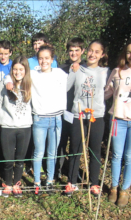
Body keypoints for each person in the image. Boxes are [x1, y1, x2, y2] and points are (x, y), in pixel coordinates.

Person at [65, 40, 110, 197]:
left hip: (96, 116)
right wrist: (73, 70)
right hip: (78, 114)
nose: (92, 54)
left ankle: (94, 183)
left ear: (102, 55)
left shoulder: (105, 72)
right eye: (91, 50)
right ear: (86, 51)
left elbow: (110, 91)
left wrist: (101, 100)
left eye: (97, 52)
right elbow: (66, 87)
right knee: (75, 149)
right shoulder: (77, 68)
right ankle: (71, 182)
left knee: (95, 150)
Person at [0, 56, 32, 197]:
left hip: (25, 127)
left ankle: (17, 182)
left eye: (21, 69)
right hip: (7, 127)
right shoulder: (4, 84)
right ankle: (7, 182)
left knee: (19, 160)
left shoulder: (30, 84)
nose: (18, 72)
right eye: (15, 69)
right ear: (11, 70)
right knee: (8, 159)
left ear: (26, 70)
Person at [31, 45, 68, 193]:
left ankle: (50, 180)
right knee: (39, 152)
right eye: (40, 58)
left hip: (56, 119)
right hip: (39, 119)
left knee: (52, 152)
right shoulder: (33, 74)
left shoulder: (60, 73)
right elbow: (14, 74)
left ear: (52, 59)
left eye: (47, 58)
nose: (43, 61)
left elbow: (72, 80)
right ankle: (37, 183)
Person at [104, 37, 131, 207]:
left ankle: (124, 189)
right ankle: (114, 188)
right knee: (116, 155)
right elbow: (106, 93)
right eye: (129, 52)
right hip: (117, 119)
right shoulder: (117, 72)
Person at [56, 37, 86, 179]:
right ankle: (59, 170)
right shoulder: (61, 68)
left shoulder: (86, 68)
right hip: (63, 110)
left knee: (76, 145)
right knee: (61, 142)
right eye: (71, 50)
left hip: (79, 112)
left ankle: (74, 173)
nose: (73, 53)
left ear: (82, 51)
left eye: (76, 50)